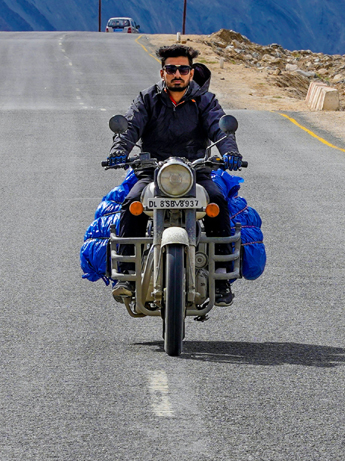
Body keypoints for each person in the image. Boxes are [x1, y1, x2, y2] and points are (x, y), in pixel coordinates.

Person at [103, 44, 244, 304]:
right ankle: (126, 274)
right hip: (152, 172)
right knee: (131, 203)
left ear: (191, 73)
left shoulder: (205, 101)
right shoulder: (147, 99)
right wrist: (119, 150)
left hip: (196, 171)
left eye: (183, 69)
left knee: (216, 202)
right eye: (171, 69)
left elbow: (220, 127)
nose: (177, 74)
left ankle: (222, 278)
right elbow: (130, 126)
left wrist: (230, 152)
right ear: (162, 72)